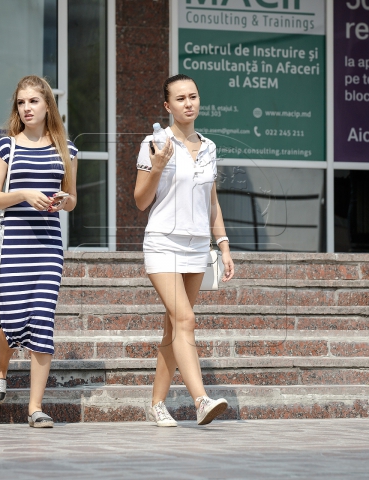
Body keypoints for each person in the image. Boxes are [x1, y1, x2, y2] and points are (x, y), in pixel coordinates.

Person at [0, 75, 78, 428]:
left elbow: (73, 199)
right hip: (14, 245)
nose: (26, 108)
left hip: (49, 247)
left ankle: (36, 406)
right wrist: (23, 194)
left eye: (33, 101)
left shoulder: (67, 148)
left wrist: (63, 201)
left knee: (42, 323)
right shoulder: (7, 146)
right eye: (21, 103)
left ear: (47, 105)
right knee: (13, 318)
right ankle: (1, 367)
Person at [134, 74, 235, 427]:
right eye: (180, 98)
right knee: (186, 321)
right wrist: (158, 166)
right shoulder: (154, 143)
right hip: (162, 243)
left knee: (173, 330)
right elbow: (141, 201)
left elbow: (212, 200)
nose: (188, 103)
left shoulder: (209, 147)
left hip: (196, 248)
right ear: (167, 106)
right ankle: (201, 400)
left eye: (193, 96)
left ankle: (157, 403)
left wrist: (222, 245)